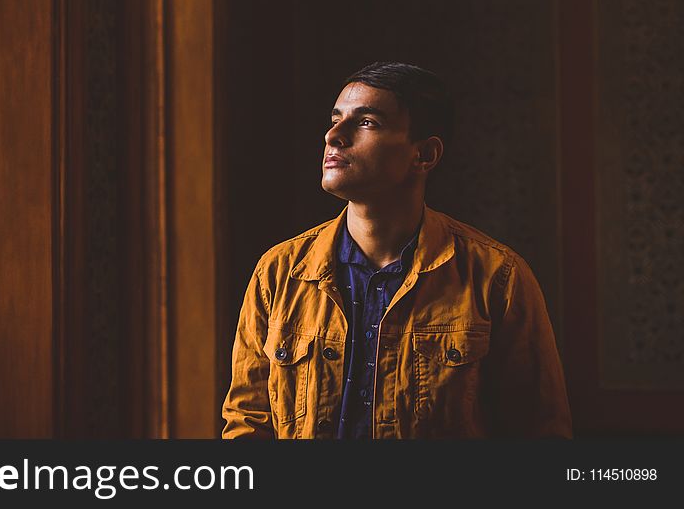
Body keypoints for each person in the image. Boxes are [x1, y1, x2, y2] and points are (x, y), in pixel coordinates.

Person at [221, 61, 573, 439]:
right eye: (335, 119)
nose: (334, 136)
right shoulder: (279, 272)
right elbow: (247, 423)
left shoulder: (496, 276)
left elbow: (539, 431)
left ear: (425, 155)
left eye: (366, 121)